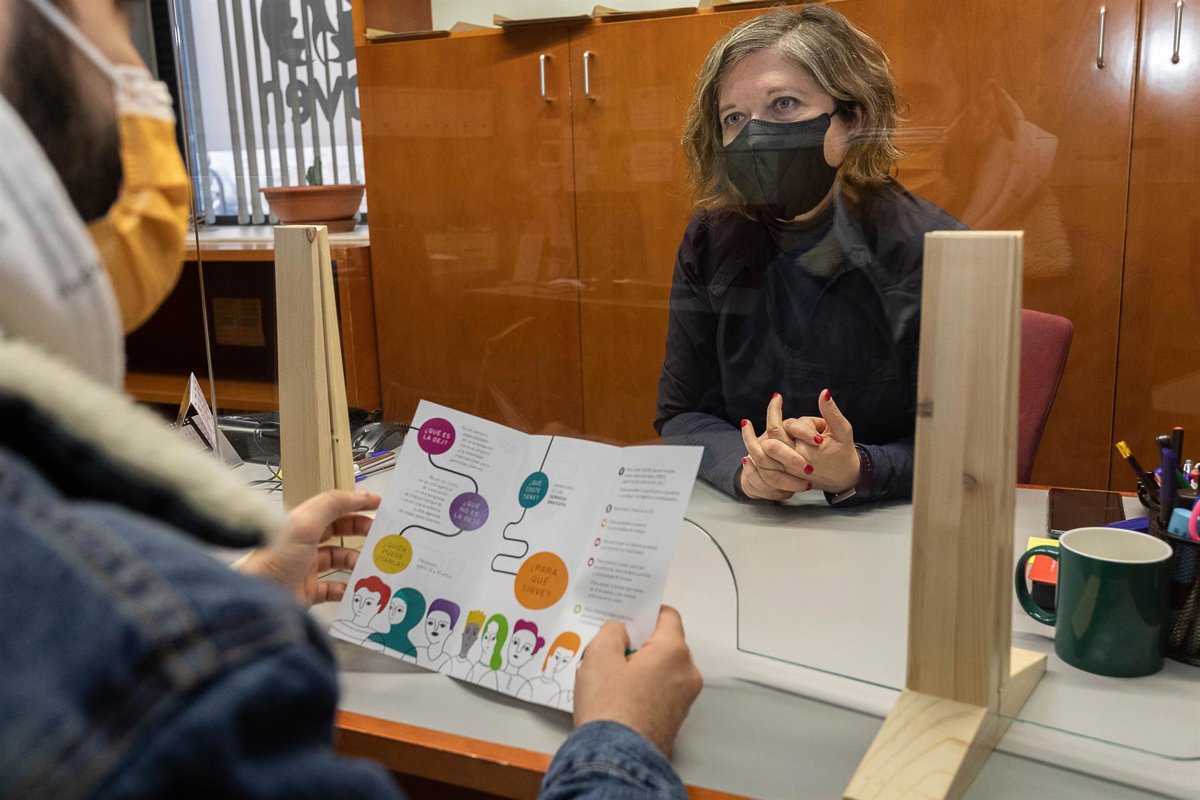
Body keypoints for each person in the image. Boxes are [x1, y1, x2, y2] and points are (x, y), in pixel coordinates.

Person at [0, 1, 703, 797]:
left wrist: (252, 585)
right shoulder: (176, 674)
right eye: (117, 21)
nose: (143, 74)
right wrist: (621, 742)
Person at [655, 6, 966, 505]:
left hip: (883, 524)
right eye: (734, 118)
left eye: (784, 104)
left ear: (853, 120)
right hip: (751, 521)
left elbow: (967, 449)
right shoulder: (712, 239)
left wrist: (859, 467)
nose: (754, 134)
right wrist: (747, 470)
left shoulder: (935, 249)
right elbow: (681, 414)